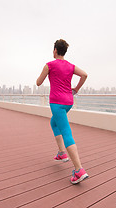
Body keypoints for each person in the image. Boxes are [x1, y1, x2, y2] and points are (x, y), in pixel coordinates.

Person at [36, 39, 89, 184]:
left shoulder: (49, 65)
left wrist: (46, 74)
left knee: (66, 132)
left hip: (57, 103)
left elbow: (38, 82)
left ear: (55, 50)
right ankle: (61, 153)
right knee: (54, 123)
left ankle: (79, 170)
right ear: (64, 51)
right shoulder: (71, 66)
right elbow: (84, 75)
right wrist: (76, 89)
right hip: (68, 102)